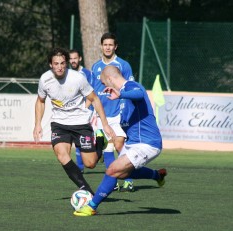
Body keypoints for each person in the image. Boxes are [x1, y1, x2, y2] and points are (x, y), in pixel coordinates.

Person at [74, 66, 167, 216]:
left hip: (147, 143)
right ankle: (158, 175)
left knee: (112, 170)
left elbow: (139, 93)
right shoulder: (123, 97)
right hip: (134, 143)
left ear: (110, 79)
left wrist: (121, 93)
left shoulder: (130, 86)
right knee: (123, 174)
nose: (104, 87)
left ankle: (91, 207)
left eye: (104, 83)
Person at [33, 47, 116, 195]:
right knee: (62, 155)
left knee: (90, 164)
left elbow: (95, 99)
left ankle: (99, 144)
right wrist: (37, 124)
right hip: (59, 124)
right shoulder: (45, 79)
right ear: (50, 65)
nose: (60, 67)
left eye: (62, 63)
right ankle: (87, 191)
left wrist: (105, 124)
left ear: (66, 63)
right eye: (56, 63)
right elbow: (40, 101)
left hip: (81, 123)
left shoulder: (77, 78)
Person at [91, 32, 135, 192]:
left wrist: (127, 108)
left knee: (119, 143)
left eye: (111, 45)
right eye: (105, 44)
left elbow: (130, 87)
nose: (108, 47)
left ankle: (129, 179)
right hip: (100, 114)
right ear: (101, 46)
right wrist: (90, 110)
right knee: (107, 146)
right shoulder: (96, 67)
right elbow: (93, 91)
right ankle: (114, 180)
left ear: (115, 47)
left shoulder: (123, 65)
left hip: (118, 112)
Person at [69, 49, 92, 173]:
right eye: (71, 59)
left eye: (75, 58)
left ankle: (99, 152)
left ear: (80, 59)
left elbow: (91, 93)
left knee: (86, 139)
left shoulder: (87, 73)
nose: (73, 61)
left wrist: (85, 108)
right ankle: (80, 168)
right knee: (77, 139)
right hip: (73, 111)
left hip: (87, 111)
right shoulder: (67, 74)